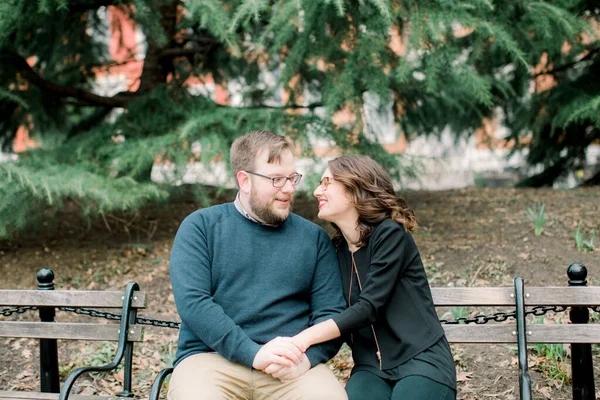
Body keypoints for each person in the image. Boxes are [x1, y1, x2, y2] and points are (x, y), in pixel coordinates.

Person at [168, 130, 348, 400]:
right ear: (245, 181)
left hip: (292, 367)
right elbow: (194, 302)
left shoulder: (314, 239)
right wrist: (253, 353)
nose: (288, 188)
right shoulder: (202, 227)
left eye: (292, 178)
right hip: (211, 361)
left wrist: (308, 359)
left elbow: (331, 313)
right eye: (276, 179)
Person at [286, 155, 457, 400]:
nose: (316, 191)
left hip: (420, 360)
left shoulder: (390, 234)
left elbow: (369, 307)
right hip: (370, 368)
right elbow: (330, 308)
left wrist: (303, 339)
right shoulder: (335, 251)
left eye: (326, 183)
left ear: (354, 187)